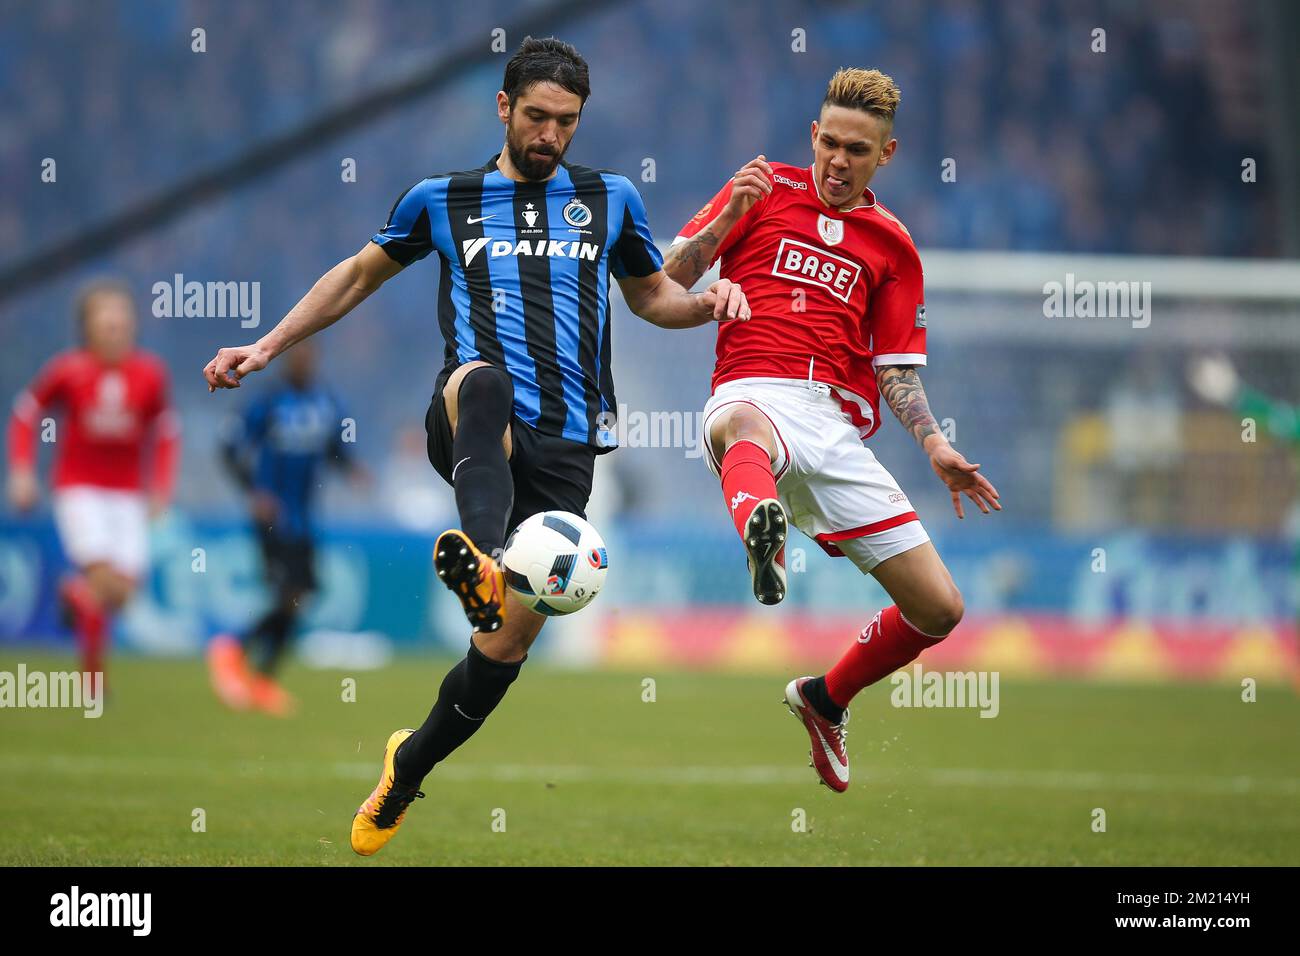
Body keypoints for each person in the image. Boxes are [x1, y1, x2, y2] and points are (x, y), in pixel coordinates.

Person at [202, 37, 750, 854]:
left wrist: (707, 302)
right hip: (471, 424)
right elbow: (355, 276)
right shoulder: (442, 198)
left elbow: (650, 299)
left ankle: (406, 771)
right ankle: (485, 556)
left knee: (501, 653)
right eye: (536, 116)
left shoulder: (611, 200)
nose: (550, 135)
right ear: (503, 107)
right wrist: (267, 347)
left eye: (566, 121)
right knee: (480, 379)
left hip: (567, 448)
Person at [663, 68, 1001, 793]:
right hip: (753, 387)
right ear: (812, 137)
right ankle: (767, 532)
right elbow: (666, 278)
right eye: (830, 144)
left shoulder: (892, 245)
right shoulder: (759, 189)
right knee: (741, 426)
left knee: (939, 608)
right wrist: (728, 221)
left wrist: (935, 443)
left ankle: (824, 698)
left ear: (888, 154)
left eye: (858, 150)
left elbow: (897, 370)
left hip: (837, 431)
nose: (839, 161)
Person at [6, 280, 179, 697]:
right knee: (102, 576)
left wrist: (161, 487)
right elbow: (26, 413)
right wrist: (22, 470)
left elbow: (167, 431)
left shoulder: (150, 374)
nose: (116, 328)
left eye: (122, 320)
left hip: (127, 495)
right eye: (107, 321)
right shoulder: (69, 370)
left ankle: (75, 593)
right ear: (89, 328)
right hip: (79, 489)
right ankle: (93, 684)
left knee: (122, 592)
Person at [208, 341, 362, 716]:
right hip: (273, 516)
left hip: (305, 517)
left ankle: (260, 679)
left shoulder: (324, 401)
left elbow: (332, 448)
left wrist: (352, 469)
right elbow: (229, 449)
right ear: (285, 358)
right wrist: (254, 491)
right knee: (288, 593)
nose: (305, 360)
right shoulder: (268, 401)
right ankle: (233, 648)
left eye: (311, 354)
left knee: (299, 597)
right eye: (299, 354)